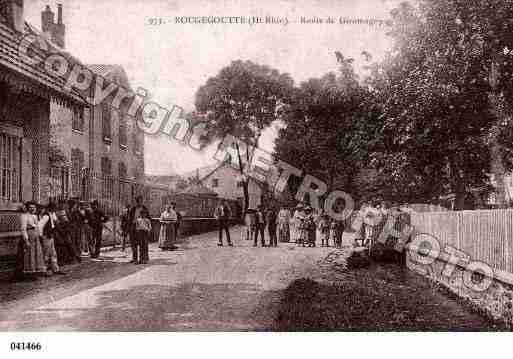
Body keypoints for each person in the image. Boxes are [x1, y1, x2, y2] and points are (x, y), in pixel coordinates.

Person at [17, 202, 46, 281]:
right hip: (29, 236)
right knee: (29, 255)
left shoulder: (35, 216)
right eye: (30, 207)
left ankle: (33, 272)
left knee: (35, 254)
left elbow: (37, 227)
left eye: (33, 207)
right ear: (27, 208)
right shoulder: (24, 216)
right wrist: (26, 240)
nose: (32, 209)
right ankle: (28, 273)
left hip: (35, 236)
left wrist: (39, 235)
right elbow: (23, 229)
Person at [39, 202, 66, 276]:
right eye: (54, 208)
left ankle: (55, 268)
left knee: (53, 253)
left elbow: (55, 222)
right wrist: (41, 235)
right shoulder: (46, 216)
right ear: (51, 208)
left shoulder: (51, 214)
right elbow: (40, 226)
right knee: (46, 253)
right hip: (46, 236)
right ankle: (44, 270)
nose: (55, 209)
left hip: (50, 235)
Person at [129, 196, 149, 263]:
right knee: (133, 244)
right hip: (134, 227)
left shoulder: (144, 208)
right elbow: (130, 219)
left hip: (142, 229)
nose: (139, 203)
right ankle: (135, 258)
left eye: (140, 201)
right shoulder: (133, 209)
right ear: (136, 202)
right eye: (138, 201)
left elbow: (148, 219)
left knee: (142, 244)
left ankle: (143, 259)